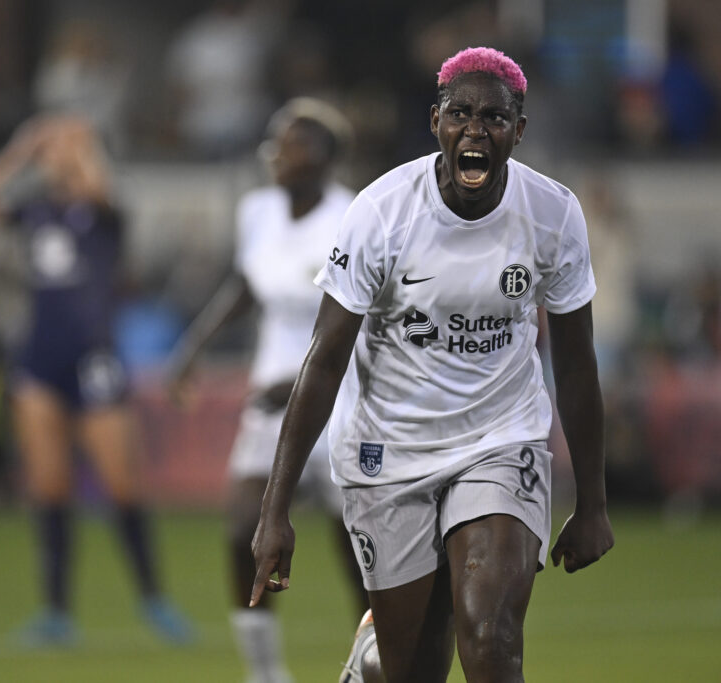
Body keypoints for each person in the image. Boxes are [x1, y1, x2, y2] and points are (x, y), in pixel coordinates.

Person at [248, 47, 615, 683]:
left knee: (491, 638)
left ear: (519, 131)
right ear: (436, 122)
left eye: (495, 119)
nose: (476, 131)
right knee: (414, 669)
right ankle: (373, 659)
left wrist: (594, 502)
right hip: (389, 450)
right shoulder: (381, 213)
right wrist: (274, 511)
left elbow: (578, 367)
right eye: (461, 115)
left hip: (501, 439)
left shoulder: (553, 214)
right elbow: (326, 358)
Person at [0, 114, 192, 646]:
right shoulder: (34, 210)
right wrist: (17, 154)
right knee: (50, 487)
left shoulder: (106, 213)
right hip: (42, 357)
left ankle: (154, 600)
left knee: (122, 485)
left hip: (95, 359)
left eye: (68, 145)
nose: (57, 151)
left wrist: (82, 147)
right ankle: (57, 613)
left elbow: (103, 188)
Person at [167, 97, 368, 683]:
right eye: (275, 140)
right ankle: (265, 674)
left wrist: (302, 377)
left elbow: (373, 313)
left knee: (355, 549)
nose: (278, 152)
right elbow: (248, 284)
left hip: (344, 391)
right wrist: (193, 347)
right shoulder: (256, 211)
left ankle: (379, 659)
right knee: (242, 531)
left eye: (294, 141)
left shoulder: (353, 214)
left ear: (328, 157)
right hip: (269, 396)